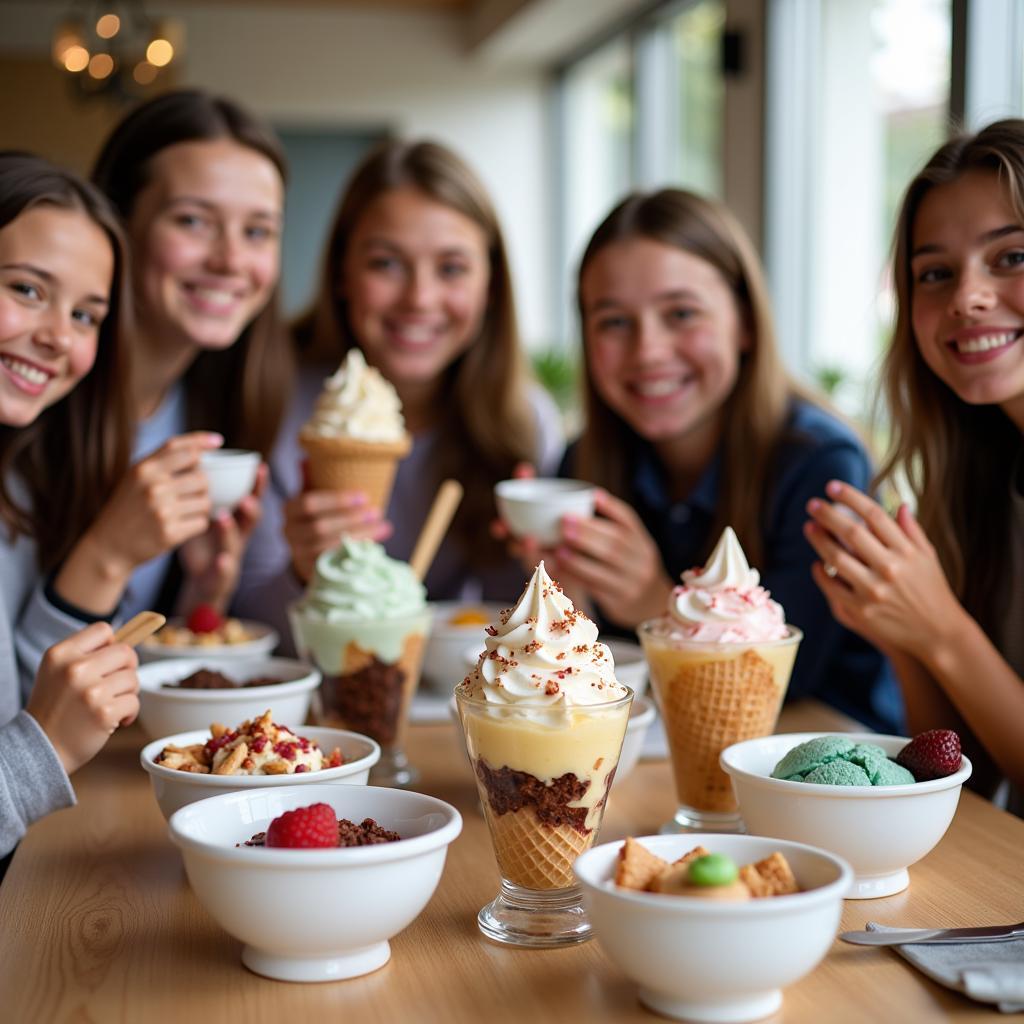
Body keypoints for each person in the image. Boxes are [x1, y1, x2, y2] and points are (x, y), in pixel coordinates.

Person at [539, 188, 902, 732]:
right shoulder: (585, 460)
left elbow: (789, 680)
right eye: (613, 322)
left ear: (745, 323)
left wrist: (655, 603)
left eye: (681, 313)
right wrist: (556, 584)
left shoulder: (821, 465)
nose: (648, 351)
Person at [252, 139, 562, 637]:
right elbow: (241, 621)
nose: (419, 298)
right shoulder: (276, 404)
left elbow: (519, 618)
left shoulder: (526, 421)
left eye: (452, 268)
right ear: (341, 274)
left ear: (490, 286)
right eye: (386, 264)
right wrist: (301, 573)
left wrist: (547, 564)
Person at [804, 120, 1024, 796]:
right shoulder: (976, 479)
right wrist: (900, 633)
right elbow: (967, 774)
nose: (966, 297)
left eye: (1011, 258)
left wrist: (943, 631)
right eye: (935, 273)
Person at [48, 89, 291, 623]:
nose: (231, 260)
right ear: (119, 225)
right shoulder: (36, 405)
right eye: (192, 221)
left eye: (257, 232)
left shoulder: (222, 409)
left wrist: (202, 598)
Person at [0, 153, 140, 865]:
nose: (60, 336)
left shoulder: (17, 486)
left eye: (86, 315)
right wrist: (43, 747)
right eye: (27, 289)